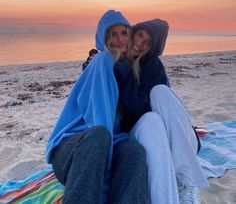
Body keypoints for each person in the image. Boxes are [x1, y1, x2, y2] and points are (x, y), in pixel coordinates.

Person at [46, 10, 149, 204]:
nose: (120, 39)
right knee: (99, 134)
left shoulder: (127, 68)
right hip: (72, 152)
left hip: (105, 144)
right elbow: (99, 119)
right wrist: (103, 185)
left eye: (124, 33)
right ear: (104, 38)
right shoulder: (102, 61)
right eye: (113, 34)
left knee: (134, 151)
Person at [117, 19, 208, 203]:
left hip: (171, 136)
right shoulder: (113, 61)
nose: (140, 43)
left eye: (148, 42)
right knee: (151, 120)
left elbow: (142, 106)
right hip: (143, 132)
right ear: (133, 32)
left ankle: (185, 181)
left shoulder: (153, 66)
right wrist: (123, 64)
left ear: (153, 48)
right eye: (140, 34)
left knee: (160, 92)